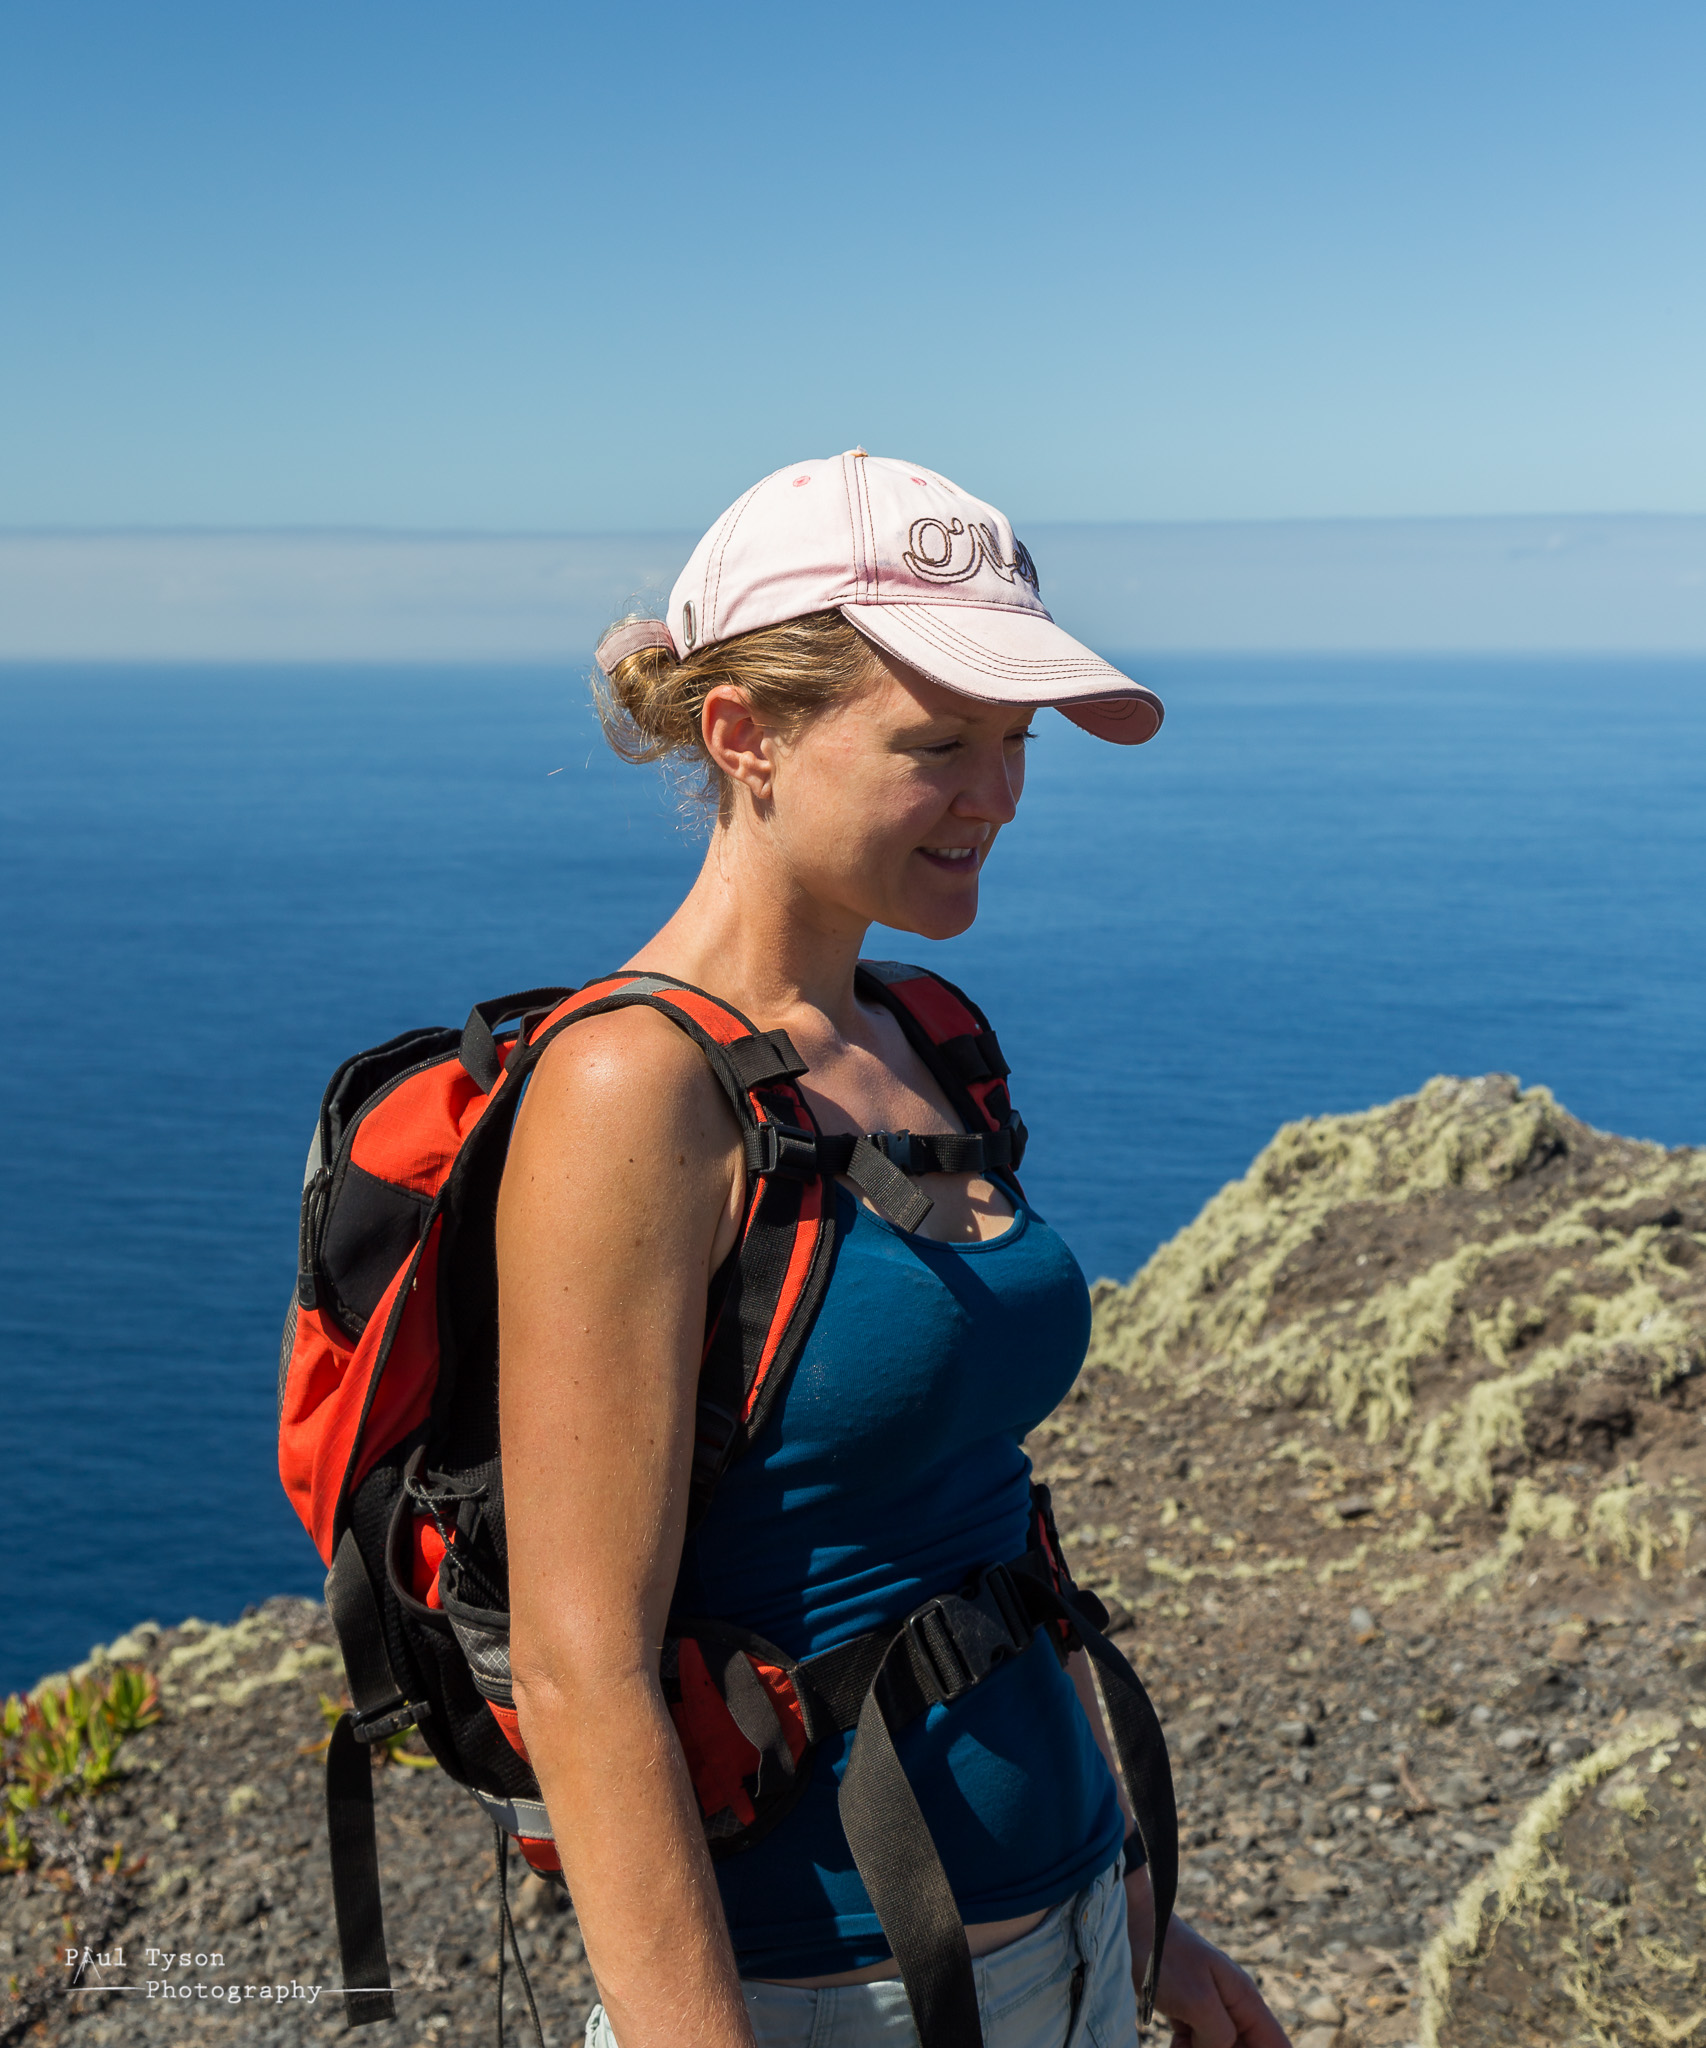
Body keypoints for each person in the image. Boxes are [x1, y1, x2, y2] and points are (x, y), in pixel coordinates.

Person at [494, 452, 1289, 2048]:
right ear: (744, 735)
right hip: (823, 1991)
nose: (999, 796)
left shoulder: (922, 1035)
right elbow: (579, 1669)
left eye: (1016, 741)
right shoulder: (630, 1088)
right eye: (940, 745)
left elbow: (982, 1526)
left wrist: (1136, 1912)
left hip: (1075, 1926)